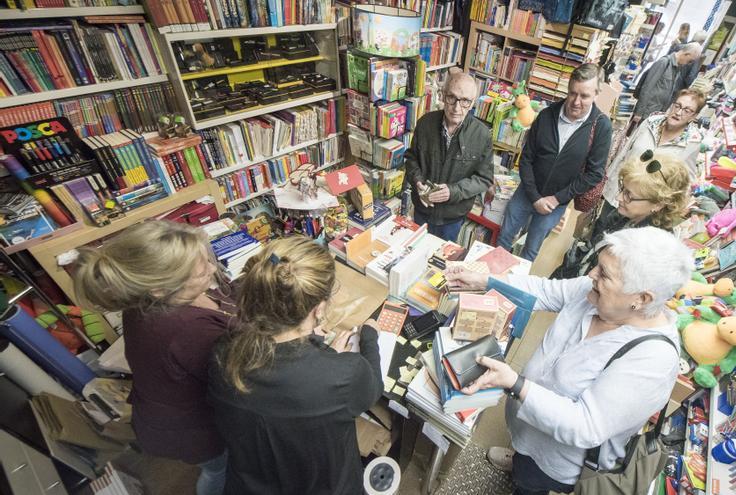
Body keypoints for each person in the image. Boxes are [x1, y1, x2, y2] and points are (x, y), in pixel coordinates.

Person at [445, 226, 692, 495]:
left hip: (555, 461)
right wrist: (486, 282)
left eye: (604, 274)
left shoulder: (652, 360)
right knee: (523, 460)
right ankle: (518, 458)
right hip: (528, 426)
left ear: (641, 299)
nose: (591, 275)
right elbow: (544, 290)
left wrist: (516, 385)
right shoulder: (596, 294)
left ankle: (525, 475)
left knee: (529, 484)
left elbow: (585, 426)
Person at [208, 237, 382, 495]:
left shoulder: (221, 352)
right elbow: (373, 389)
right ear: (319, 310)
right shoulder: (344, 374)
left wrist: (318, 350)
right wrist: (369, 336)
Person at [73, 221, 232, 495]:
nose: (213, 269)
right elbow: (239, 381)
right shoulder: (192, 331)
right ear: (160, 289)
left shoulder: (142, 302)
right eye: (201, 270)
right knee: (219, 470)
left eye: (207, 260)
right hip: (193, 430)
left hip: (160, 417)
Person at [498, 63, 612, 261]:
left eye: (584, 96)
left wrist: (556, 199)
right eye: (572, 93)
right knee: (503, 239)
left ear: (597, 93)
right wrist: (534, 196)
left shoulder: (601, 126)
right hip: (527, 192)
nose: (576, 102)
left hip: (555, 204)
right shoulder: (546, 115)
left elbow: (594, 174)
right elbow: (526, 158)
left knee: (530, 251)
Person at [552, 152, 691, 279]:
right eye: (622, 189)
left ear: (659, 204)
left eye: (629, 196)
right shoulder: (623, 216)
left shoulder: (652, 249)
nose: (618, 197)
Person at [404, 71, 493, 241]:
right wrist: (417, 180)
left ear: (473, 102)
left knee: (441, 262)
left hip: (452, 217)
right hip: (422, 211)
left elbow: (484, 178)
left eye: (465, 101)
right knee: (416, 252)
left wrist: (453, 192)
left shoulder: (482, 135)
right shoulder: (425, 123)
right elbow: (411, 158)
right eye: (452, 98)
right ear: (443, 96)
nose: (457, 108)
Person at [605, 89, 707, 206]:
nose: (678, 112)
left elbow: (685, 182)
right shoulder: (651, 122)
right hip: (618, 193)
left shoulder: (692, 142)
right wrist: (606, 183)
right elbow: (624, 152)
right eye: (677, 106)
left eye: (687, 110)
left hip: (644, 205)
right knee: (601, 223)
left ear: (694, 116)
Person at [631, 43, 702, 125]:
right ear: (686, 54)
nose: (688, 64)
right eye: (690, 61)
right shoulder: (664, 62)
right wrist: (639, 112)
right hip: (646, 113)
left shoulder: (677, 68)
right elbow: (647, 87)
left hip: (657, 114)